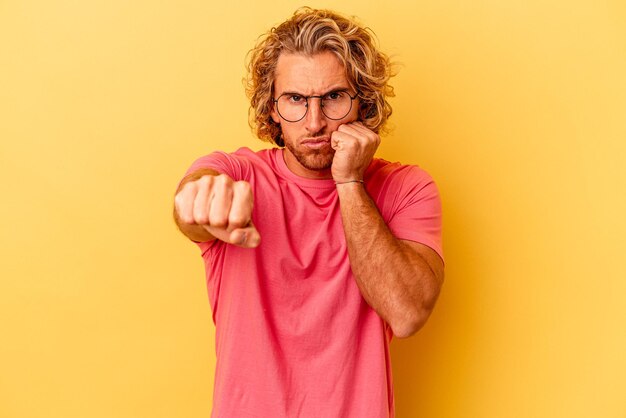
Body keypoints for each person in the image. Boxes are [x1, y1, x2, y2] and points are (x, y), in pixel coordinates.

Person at [173, 7, 444, 418]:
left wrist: (350, 182)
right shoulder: (238, 174)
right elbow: (194, 202)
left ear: (362, 103)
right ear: (272, 108)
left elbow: (406, 313)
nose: (315, 122)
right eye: (296, 99)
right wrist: (198, 201)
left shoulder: (407, 188)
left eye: (333, 97)